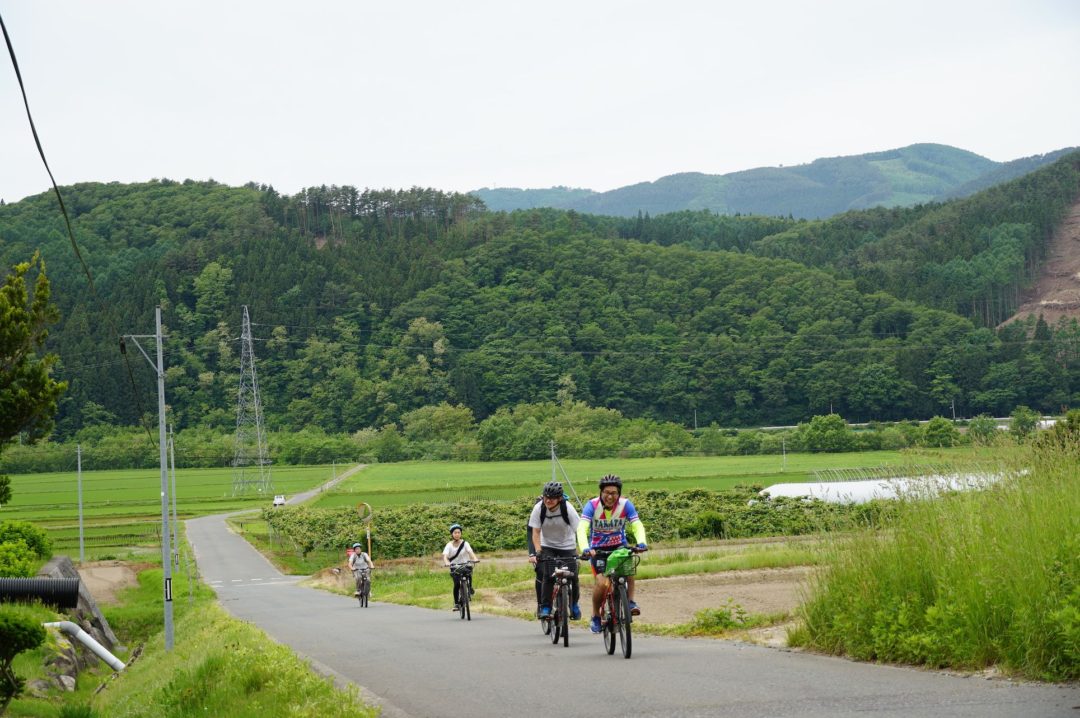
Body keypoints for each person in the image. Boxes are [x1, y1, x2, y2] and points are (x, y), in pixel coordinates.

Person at [577, 474, 648, 633]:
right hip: (598, 550)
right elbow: (582, 528)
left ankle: (630, 602)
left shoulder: (626, 505)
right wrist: (585, 548)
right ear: (601, 492)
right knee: (602, 584)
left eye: (614, 493)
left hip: (619, 547)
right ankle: (596, 616)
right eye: (606, 492)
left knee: (628, 569)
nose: (610, 496)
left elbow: (636, 524)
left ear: (619, 493)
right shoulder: (592, 505)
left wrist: (641, 541)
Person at [528, 481, 582, 620]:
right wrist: (538, 551)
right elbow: (535, 532)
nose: (548, 500)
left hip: (567, 545)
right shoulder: (539, 508)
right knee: (548, 575)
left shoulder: (568, 508)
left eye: (552, 498)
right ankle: (546, 606)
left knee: (573, 576)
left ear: (559, 499)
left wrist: (584, 549)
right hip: (548, 545)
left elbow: (579, 530)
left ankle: (574, 604)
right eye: (546, 497)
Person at [442, 523, 480, 610]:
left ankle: (469, 588)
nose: (457, 534)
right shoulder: (449, 545)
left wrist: (475, 558)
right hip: (455, 566)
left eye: (459, 532)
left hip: (466, 564)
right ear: (452, 534)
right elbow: (445, 556)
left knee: (469, 573)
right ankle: (456, 603)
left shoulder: (465, 543)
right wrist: (447, 563)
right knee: (456, 584)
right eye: (455, 532)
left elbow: (470, 552)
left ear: (461, 533)